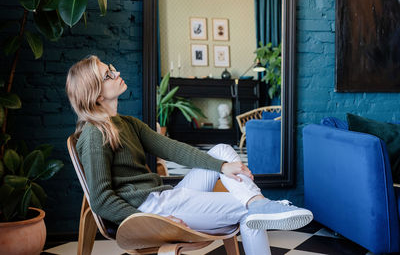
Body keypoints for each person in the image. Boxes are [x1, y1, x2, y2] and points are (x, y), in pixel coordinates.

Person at [65, 55, 313, 255]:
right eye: (108, 74)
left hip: (164, 197)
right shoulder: (94, 134)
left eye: (111, 68)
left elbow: (174, 149)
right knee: (246, 212)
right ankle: (259, 206)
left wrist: (222, 166)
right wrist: (151, 220)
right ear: (96, 94)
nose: (117, 73)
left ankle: (259, 204)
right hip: (151, 210)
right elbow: (100, 199)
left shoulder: (127, 123)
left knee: (222, 153)